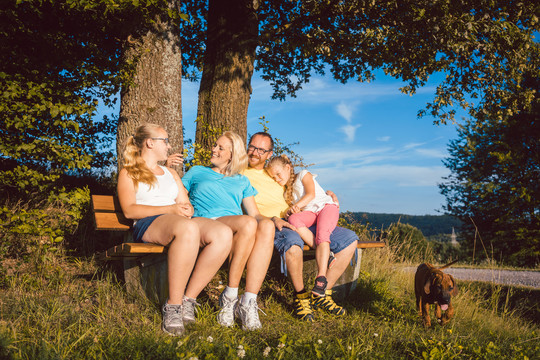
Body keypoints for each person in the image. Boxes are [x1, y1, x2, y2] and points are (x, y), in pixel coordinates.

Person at [117, 123, 233, 336]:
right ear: (150, 143)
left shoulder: (170, 173)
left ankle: (189, 299)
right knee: (187, 228)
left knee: (222, 233)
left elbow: (185, 202)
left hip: (179, 221)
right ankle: (173, 305)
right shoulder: (129, 172)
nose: (169, 146)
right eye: (165, 141)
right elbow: (129, 210)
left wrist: (186, 207)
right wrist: (170, 208)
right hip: (150, 222)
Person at [243, 132, 359, 322]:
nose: (255, 152)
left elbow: (305, 190)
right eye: (253, 147)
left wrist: (329, 195)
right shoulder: (241, 172)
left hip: (303, 220)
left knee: (349, 240)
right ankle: (301, 296)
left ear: (269, 154)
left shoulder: (273, 171)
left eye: (261, 149)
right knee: (293, 243)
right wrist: (273, 219)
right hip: (273, 223)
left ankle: (324, 291)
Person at [180, 131, 275, 331]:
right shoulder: (197, 171)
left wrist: (275, 220)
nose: (214, 149)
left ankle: (248, 301)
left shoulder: (241, 181)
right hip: (205, 223)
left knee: (265, 225)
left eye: (220, 148)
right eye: (215, 145)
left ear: (232, 154)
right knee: (248, 224)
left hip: (232, 226)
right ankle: (230, 296)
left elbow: (255, 214)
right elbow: (177, 196)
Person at [266, 154, 339, 298]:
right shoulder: (288, 192)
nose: (277, 179)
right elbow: (295, 212)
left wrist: (297, 206)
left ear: (288, 168)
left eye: (278, 174)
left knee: (322, 234)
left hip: (326, 207)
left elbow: (311, 194)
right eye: (274, 177)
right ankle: (324, 254)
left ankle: (321, 278)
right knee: (293, 219)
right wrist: (290, 212)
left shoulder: (303, 175)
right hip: (312, 213)